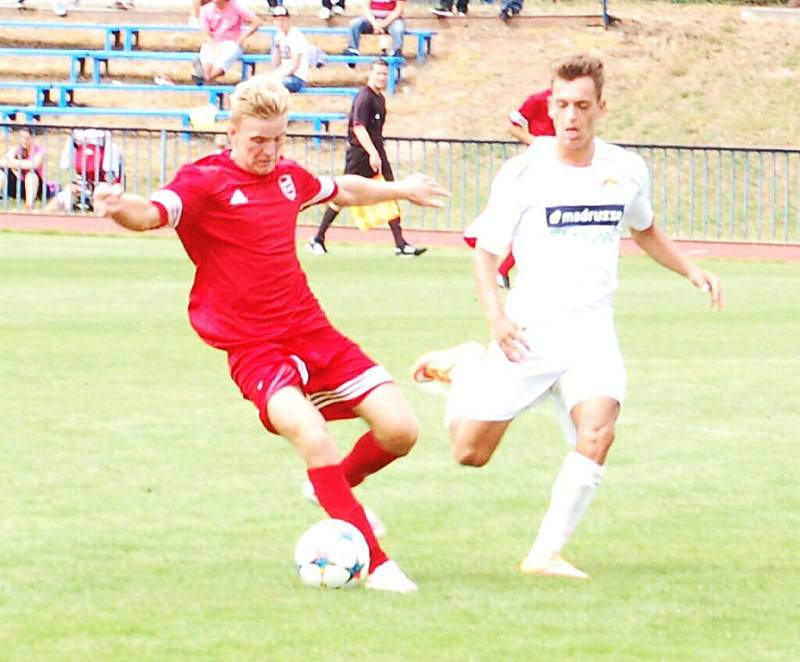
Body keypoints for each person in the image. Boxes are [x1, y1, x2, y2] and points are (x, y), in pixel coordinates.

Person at [92, 75, 448, 593]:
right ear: (231, 133)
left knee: (401, 431)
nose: (268, 150)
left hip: (310, 329)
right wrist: (118, 205)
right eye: (257, 139)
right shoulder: (203, 181)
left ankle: (331, 489)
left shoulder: (286, 176)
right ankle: (377, 563)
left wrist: (401, 189)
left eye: (278, 139)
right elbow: (151, 214)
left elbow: (341, 189)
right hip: (253, 348)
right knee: (312, 435)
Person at [412, 54, 723, 580]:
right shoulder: (523, 172)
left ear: (602, 107)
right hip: (528, 333)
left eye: (582, 106)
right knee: (469, 453)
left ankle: (544, 554)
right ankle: (466, 369)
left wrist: (689, 269)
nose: (571, 116)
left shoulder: (625, 169)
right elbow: (485, 254)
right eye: (561, 105)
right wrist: (496, 321)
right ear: (549, 107)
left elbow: (644, 229)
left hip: (592, 334)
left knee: (598, 432)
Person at [307, 59, 426, 257]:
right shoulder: (365, 98)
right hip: (360, 155)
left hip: (377, 152)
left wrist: (377, 152)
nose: (381, 77)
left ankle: (401, 243)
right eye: (378, 73)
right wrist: (371, 153)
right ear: (370, 74)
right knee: (341, 196)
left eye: (384, 74)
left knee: (391, 190)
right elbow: (359, 127)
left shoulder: (380, 99)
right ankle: (318, 237)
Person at [195, 0, 263, 85]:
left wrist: (242, 37)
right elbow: (206, 33)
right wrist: (214, 46)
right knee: (207, 50)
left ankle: (206, 78)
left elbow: (256, 21)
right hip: (213, 42)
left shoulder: (236, 6)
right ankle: (205, 75)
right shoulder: (206, 10)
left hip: (231, 42)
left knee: (229, 52)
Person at [0, 126, 45, 211]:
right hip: (17, 184)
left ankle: (29, 206)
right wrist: (16, 164)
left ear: (33, 138)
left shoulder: (39, 151)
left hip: (35, 185)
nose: (24, 141)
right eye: (22, 138)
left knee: (30, 175)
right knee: (1, 173)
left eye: (27, 138)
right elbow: (3, 162)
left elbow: (34, 165)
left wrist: (13, 163)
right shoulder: (16, 149)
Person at [271, 7, 309, 93]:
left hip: (296, 77)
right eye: (277, 20)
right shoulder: (278, 35)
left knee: (276, 85)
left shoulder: (296, 36)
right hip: (282, 74)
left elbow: (295, 65)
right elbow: (276, 64)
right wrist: (277, 48)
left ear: (288, 20)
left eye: (283, 20)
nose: (280, 23)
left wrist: (280, 76)